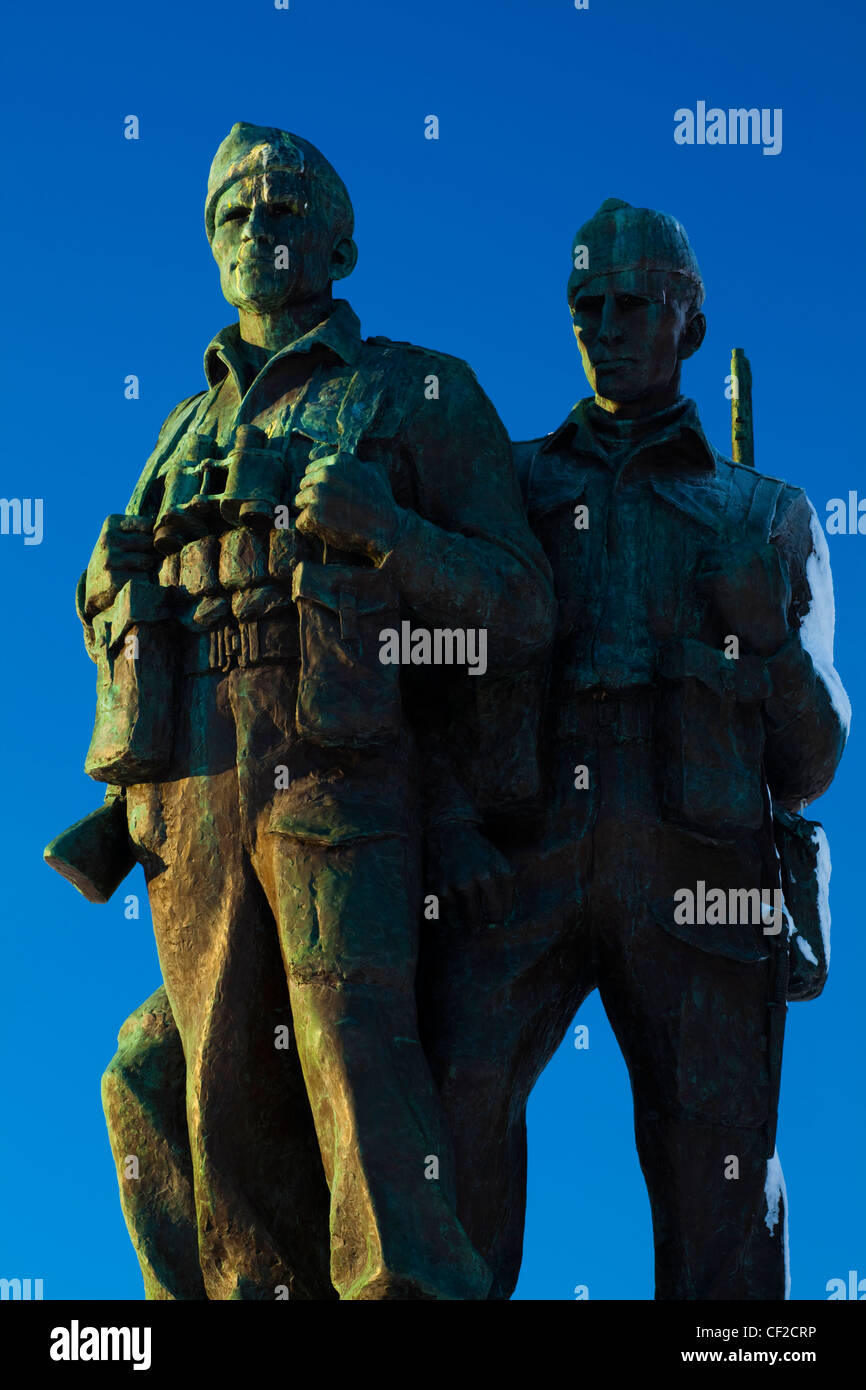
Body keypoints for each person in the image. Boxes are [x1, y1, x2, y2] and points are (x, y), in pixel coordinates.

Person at [78, 122, 554, 1300]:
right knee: (208, 1076)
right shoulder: (178, 433)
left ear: (341, 244)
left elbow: (520, 606)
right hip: (187, 770)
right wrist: (104, 587)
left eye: (284, 209)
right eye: (232, 215)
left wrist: (386, 530)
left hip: (337, 745)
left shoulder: (413, 389)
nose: (257, 232)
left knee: (352, 1040)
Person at [420, 198, 849, 1299]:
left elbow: (809, 761)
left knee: (719, 1167)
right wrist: (453, 824)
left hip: (697, 856)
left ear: (687, 325)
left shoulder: (768, 512)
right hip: (521, 850)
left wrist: (767, 645)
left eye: (631, 303)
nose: (605, 325)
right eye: (585, 306)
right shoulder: (505, 484)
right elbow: (428, 680)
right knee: (450, 1103)